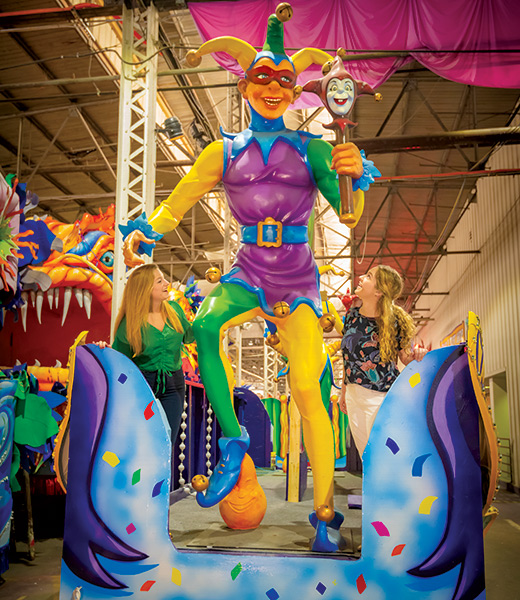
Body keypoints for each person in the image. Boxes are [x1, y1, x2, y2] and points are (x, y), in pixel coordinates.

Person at [121, 5, 378, 551]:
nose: (274, 88)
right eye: (262, 77)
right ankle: (234, 441)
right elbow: (177, 201)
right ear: (244, 84)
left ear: (295, 91)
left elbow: (347, 213)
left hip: (297, 277)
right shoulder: (223, 152)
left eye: (285, 80)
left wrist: (351, 174)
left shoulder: (312, 149)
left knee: (308, 387)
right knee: (207, 328)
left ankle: (326, 513)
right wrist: (149, 233)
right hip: (248, 271)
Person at [98, 264, 194, 442]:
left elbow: (190, 336)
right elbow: (120, 360)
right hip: (142, 382)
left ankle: (164, 471)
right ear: (145, 289)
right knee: (142, 441)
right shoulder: (130, 323)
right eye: (160, 281)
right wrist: (104, 350)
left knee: (167, 441)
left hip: (174, 383)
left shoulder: (175, 310)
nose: (167, 283)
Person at [339, 265, 428, 456]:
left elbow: (405, 357)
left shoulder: (394, 321)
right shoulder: (351, 316)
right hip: (354, 396)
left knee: (385, 454)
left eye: (369, 276)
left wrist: (418, 354)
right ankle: (374, 486)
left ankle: (395, 485)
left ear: (379, 291)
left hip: (381, 396)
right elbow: (348, 358)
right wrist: (344, 392)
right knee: (366, 456)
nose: (361, 277)